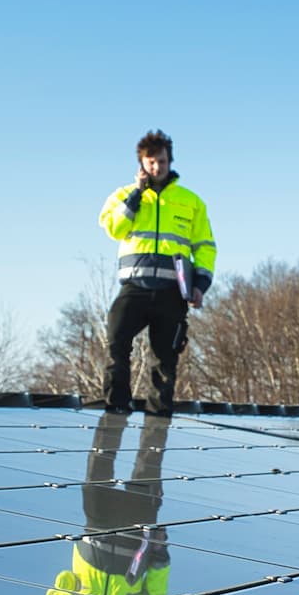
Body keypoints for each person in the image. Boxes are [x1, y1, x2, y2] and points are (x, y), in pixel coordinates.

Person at [48, 412, 173, 595]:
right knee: (150, 459)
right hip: (133, 535)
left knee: (99, 463)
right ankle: (158, 406)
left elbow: (63, 579)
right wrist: (160, 551)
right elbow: (154, 594)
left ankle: (115, 406)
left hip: (98, 527)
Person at [96, 130, 215, 416]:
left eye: (161, 161)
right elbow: (113, 229)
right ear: (141, 164)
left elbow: (205, 247)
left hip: (172, 293)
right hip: (134, 288)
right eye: (150, 162)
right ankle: (116, 407)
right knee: (116, 340)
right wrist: (137, 194)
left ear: (169, 161)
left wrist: (200, 284)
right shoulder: (123, 195)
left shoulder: (191, 201)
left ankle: (157, 421)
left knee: (164, 361)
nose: (156, 168)